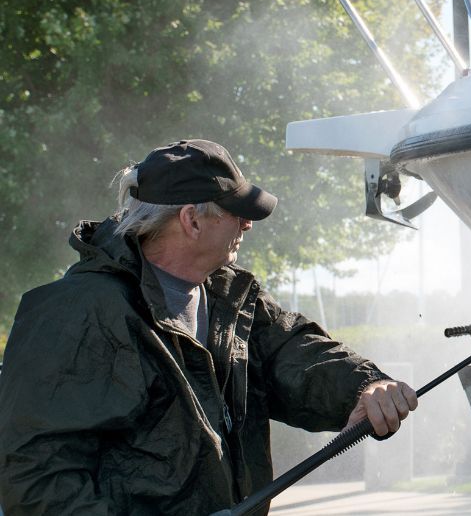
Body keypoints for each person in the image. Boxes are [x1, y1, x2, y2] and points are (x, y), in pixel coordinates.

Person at [0, 139, 417, 515]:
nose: (248, 225)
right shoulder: (74, 312)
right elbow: (35, 481)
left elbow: (293, 352)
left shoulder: (229, 296)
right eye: (237, 214)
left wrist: (365, 387)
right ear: (191, 221)